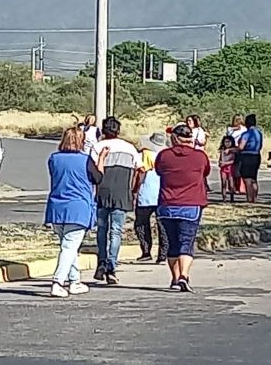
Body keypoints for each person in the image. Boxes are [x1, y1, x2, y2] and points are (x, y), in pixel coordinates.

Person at [45, 127, 109, 298]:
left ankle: (75, 281)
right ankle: (58, 282)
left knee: (68, 247)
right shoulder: (85, 160)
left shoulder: (54, 158)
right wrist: (101, 159)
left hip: (57, 207)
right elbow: (98, 178)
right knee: (69, 246)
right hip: (78, 207)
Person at [155, 124, 211, 293]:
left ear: (174, 138)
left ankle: (175, 278)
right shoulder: (200, 157)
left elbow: (159, 171)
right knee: (186, 242)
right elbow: (205, 172)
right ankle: (184, 276)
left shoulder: (164, 156)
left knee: (172, 243)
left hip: (167, 204)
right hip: (191, 204)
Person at [90, 116, 142, 284]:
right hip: (122, 193)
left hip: (102, 192)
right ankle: (111, 265)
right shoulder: (130, 148)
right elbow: (141, 169)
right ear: (118, 131)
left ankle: (102, 261)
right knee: (116, 231)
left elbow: (93, 171)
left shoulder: (98, 147)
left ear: (103, 131)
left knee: (102, 229)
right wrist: (134, 188)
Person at [132, 132, 169, 264]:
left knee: (141, 223)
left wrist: (135, 189)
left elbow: (141, 172)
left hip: (146, 192)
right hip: (163, 193)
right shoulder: (166, 155)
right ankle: (163, 254)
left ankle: (146, 251)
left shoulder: (145, 154)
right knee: (163, 225)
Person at [238, 114, 263, 203]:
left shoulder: (247, 133)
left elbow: (241, 147)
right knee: (254, 179)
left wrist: (233, 149)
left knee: (247, 179)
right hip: (256, 155)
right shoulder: (259, 133)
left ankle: (249, 199)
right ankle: (255, 198)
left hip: (247, 156)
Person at [226, 115, 247, 195]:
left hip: (239, 149)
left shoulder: (244, 129)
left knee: (239, 168)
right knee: (231, 168)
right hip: (231, 149)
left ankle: (241, 187)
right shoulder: (230, 129)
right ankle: (232, 187)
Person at [218, 136, 237, 202]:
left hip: (231, 168)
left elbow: (234, 161)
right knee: (223, 183)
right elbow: (221, 159)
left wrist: (225, 163)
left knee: (231, 183)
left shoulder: (233, 151)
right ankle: (224, 198)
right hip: (223, 169)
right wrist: (220, 163)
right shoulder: (222, 150)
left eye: (229, 142)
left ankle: (232, 198)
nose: (227, 143)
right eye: (226, 142)